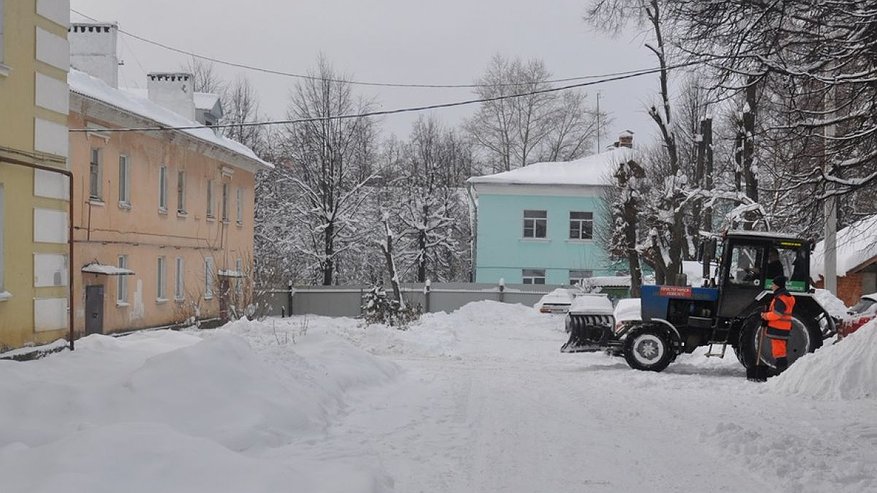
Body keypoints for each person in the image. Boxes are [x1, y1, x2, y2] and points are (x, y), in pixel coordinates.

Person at [761, 275, 795, 372]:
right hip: (783, 327)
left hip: (778, 328)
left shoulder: (780, 298)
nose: (772, 286)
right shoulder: (787, 297)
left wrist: (765, 316)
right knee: (780, 350)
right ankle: (781, 370)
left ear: (778, 286)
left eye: (773, 284)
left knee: (779, 351)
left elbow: (777, 314)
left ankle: (781, 371)